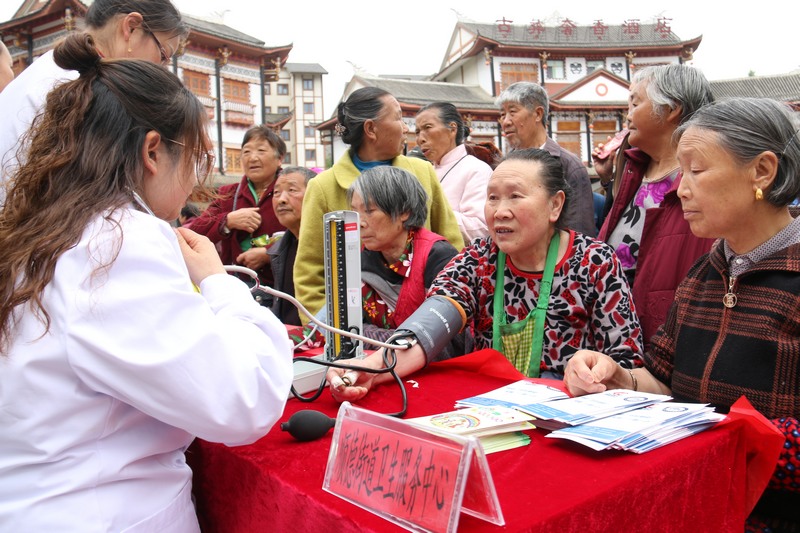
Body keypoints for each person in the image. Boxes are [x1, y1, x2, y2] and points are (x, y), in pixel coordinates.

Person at [0, 34, 293, 531]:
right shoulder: (116, 241)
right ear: (153, 152)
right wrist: (218, 284)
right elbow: (243, 397)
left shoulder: (36, 229)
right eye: (195, 159)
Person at [564, 97, 800, 533]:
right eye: (681, 171)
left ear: (762, 171)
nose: (681, 188)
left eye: (697, 170)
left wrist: (726, 440)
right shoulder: (705, 270)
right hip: (692, 499)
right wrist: (618, 377)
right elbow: (664, 380)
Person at [327, 148, 644, 401]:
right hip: (489, 408)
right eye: (492, 197)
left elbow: (628, 362)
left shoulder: (594, 261)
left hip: (568, 416)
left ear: (555, 205)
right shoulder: (479, 258)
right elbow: (433, 320)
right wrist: (374, 367)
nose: (500, 210)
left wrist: (600, 373)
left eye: (515, 196)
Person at [294, 87, 464, 322]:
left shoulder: (422, 171)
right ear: (371, 129)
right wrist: (330, 331)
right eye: (397, 118)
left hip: (427, 323)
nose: (405, 128)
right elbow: (310, 270)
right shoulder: (324, 186)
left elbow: (451, 243)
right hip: (353, 330)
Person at [0, 0, 187, 205]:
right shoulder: (84, 88)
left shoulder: (51, 67)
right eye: (162, 55)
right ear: (131, 27)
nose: (161, 69)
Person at [595, 64, 715, 350]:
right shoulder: (633, 167)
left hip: (665, 341)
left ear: (672, 109)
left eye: (636, 102)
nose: (628, 114)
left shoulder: (704, 182)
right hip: (612, 335)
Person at [348, 166, 459, 347]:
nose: (358, 223)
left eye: (369, 211)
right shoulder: (360, 257)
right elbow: (341, 326)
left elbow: (445, 337)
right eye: (355, 212)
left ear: (404, 212)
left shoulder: (438, 257)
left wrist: (368, 335)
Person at [186, 126, 287, 289]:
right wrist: (227, 221)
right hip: (237, 288)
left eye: (261, 151)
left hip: (282, 291)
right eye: (246, 152)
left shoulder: (292, 191)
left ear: (280, 158)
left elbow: (307, 236)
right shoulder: (229, 193)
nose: (252, 158)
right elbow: (195, 232)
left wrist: (269, 253)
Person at [496, 81, 597, 237]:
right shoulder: (503, 167)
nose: (506, 121)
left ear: (538, 114)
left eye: (513, 112)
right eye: (502, 115)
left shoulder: (568, 165)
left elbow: (580, 232)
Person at [415, 102, 492, 242]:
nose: (420, 139)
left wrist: (428, 214)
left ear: (452, 129)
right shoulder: (425, 171)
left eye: (427, 127)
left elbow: (481, 228)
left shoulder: (476, 169)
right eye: (417, 132)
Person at [268, 165, 316, 325]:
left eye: (292, 190)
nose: (281, 199)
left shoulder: (327, 246)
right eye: (276, 192)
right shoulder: (279, 249)